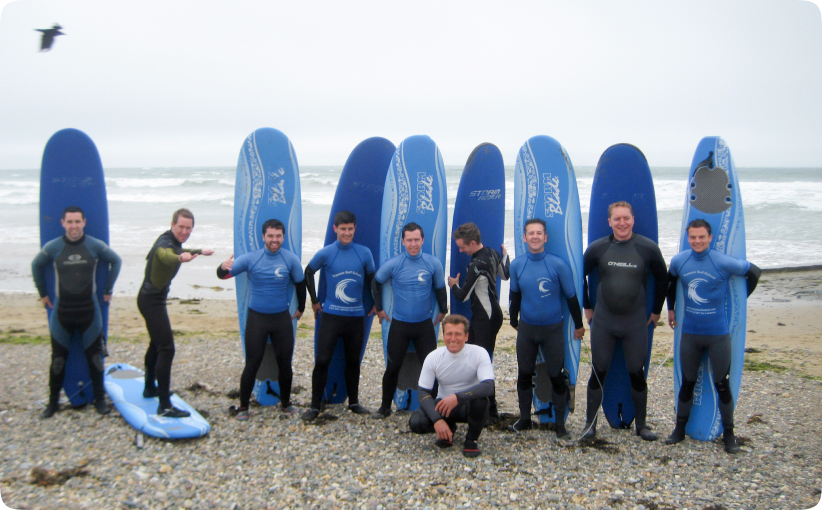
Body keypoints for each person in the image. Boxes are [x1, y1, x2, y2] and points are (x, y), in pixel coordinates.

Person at [664, 219, 761, 454]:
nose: (697, 241)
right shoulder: (680, 260)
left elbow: (755, 271)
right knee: (687, 383)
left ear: (709, 237)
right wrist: (671, 307)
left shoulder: (722, 261)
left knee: (722, 385)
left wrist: (742, 298)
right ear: (688, 238)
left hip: (718, 334)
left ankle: (729, 434)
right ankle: (679, 429)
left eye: (701, 237)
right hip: (691, 334)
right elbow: (671, 280)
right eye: (693, 237)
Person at [581, 201, 668, 441]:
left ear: (633, 219)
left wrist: (657, 310)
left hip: (634, 324)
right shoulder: (598, 249)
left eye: (626, 218)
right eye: (617, 219)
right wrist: (587, 306)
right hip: (604, 322)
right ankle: (590, 425)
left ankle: (641, 426)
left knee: (637, 373)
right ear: (609, 222)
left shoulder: (647, 248)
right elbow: (580, 275)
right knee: (598, 372)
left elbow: (663, 279)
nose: (622, 223)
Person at [32, 206, 122, 418]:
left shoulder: (94, 245)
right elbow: (36, 265)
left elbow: (116, 260)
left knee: (96, 359)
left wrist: (108, 289)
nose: (74, 226)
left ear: (84, 222)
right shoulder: (53, 247)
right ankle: (53, 403)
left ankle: (100, 401)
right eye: (70, 222)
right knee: (58, 361)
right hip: (62, 313)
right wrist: (43, 294)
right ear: (63, 223)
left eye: (77, 222)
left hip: (89, 312)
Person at [218, 218, 306, 420]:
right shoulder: (251, 259)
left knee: (285, 362)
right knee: (252, 363)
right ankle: (243, 407)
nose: (274, 240)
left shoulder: (290, 259)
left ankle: (286, 403)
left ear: (283, 237)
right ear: (263, 237)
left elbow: (301, 284)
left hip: (281, 318)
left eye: (278, 236)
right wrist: (223, 266)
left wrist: (300, 309)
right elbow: (222, 275)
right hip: (257, 318)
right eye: (270, 236)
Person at [506, 219, 584, 439]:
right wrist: (514, 321)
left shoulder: (558, 264)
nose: (535, 236)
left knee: (555, 375)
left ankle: (560, 424)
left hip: (552, 329)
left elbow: (571, 297)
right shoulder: (517, 265)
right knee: (524, 373)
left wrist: (578, 325)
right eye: (531, 233)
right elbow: (514, 295)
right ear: (524, 237)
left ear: (545, 237)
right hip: (527, 329)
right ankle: (524, 419)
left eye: (539, 233)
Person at [139, 208, 213, 418]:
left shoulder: (173, 242)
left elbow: (181, 249)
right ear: (173, 225)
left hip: (153, 300)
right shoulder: (164, 244)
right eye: (181, 226)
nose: (184, 231)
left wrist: (200, 250)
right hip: (150, 301)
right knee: (167, 348)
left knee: (156, 344)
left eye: (188, 228)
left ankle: (149, 388)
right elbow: (166, 255)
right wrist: (181, 258)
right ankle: (164, 405)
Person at [301, 211, 375, 421]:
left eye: (350, 229)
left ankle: (354, 402)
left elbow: (373, 281)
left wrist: (376, 304)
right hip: (332, 316)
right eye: (343, 229)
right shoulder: (326, 253)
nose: (347, 233)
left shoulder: (364, 253)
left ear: (354, 228)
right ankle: (315, 406)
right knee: (323, 359)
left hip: (356, 317)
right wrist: (314, 301)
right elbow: (308, 272)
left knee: (353, 361)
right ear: (335, 229)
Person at [371, 222, 448, 419]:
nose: (413, 244)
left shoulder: (433, 263)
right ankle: (384, 407)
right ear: (403, 242)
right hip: (400, 325)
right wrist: (379, 309)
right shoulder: (394, 264)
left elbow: (440, 288)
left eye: (416, 240)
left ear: (422, 240)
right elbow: (376, 282)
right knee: (393, 367)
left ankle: (434, 410)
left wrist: (443, 310)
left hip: (424, 325)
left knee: (431, 368)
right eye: (409, 240)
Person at [447, 222, 510, 423]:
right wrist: (506, 255)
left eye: (462, 247)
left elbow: (463, 297)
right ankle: (477, 404)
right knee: (476, 359)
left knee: (482, 363)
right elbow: (505, 275)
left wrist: (453, 285)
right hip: (491, 316)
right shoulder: (492, 252)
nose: (460, 250)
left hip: (486, 319)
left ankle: (491, 412)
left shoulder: (475, 265)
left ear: (473, 243)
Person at [408, 314, 494, 458]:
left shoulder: (479, 353)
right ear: (443, 335)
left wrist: (457, 397)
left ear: (466, 336)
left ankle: (471, 440)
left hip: (469, 406)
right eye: (449, 334)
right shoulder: (433, 357)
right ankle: (448, 428)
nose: (453, 338)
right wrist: (437, 420)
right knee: (416, 422)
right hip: (445, 406)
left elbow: (488, 386)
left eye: (458, 334)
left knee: (481, 401)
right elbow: (423, 392)